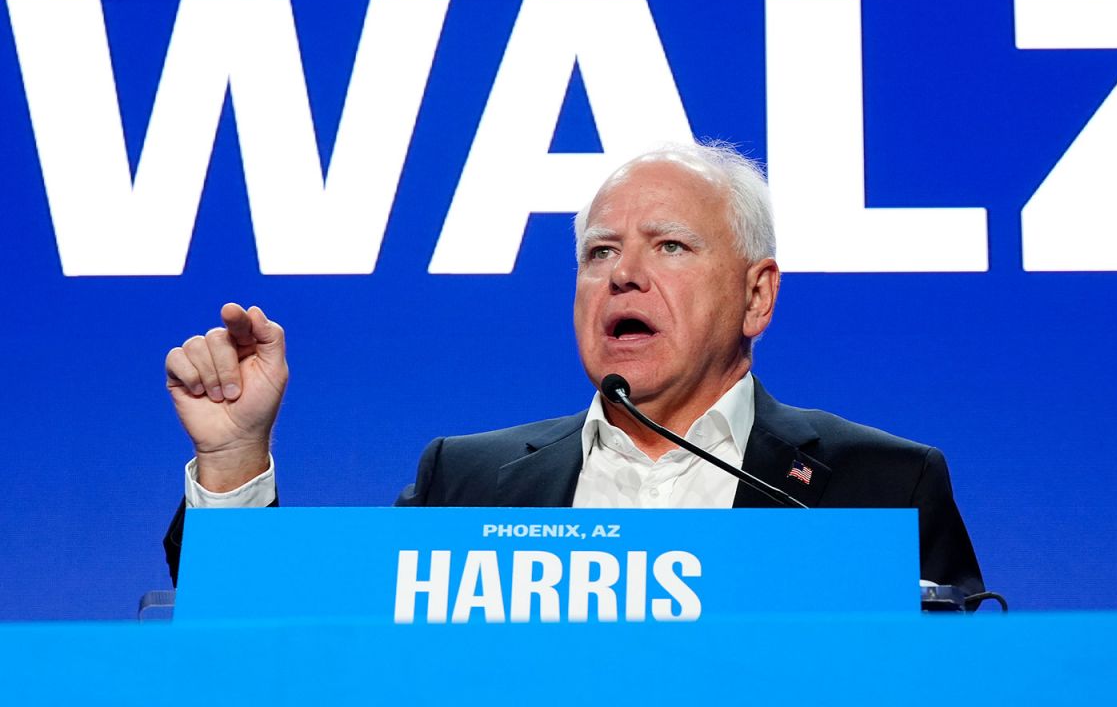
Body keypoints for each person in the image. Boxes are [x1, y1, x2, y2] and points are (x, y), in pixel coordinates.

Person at [163, 141, 984, 595]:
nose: (624, 275)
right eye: (600, 253)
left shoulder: (880, 487)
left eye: (668, 246)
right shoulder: (468, 482)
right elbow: (291, 644)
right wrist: (233, 460)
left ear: (755, 297)